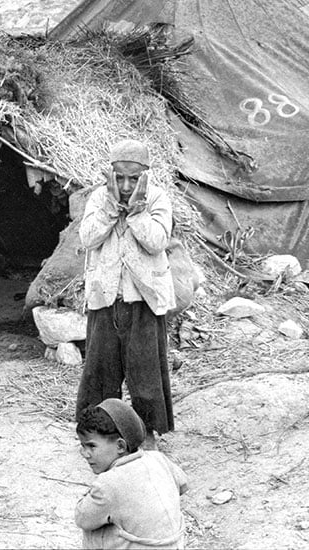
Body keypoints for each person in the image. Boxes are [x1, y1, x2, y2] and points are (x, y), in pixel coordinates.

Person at [77, 139, 176, 447]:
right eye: (119, 177)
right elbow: (88, 238)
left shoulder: (157, 198)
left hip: (143, 301)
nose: (125, 185)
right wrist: (110, 209)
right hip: (105, 300)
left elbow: (157, 241)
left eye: (134, 178)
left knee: (145, 373)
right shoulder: (99, 199)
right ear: (110, 174)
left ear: (146, 175)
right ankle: (100, 433)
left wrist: (136, 212)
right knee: (100, 372)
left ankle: (147, 433)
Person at [75, 399, 188, 549]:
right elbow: (183, 484)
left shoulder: (108, 483)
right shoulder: (158, 458)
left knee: (96, 528)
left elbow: (82, 519)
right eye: (82, 446)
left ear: (120, 446)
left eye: (91, 446)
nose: (84, 453)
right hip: (175, 546)